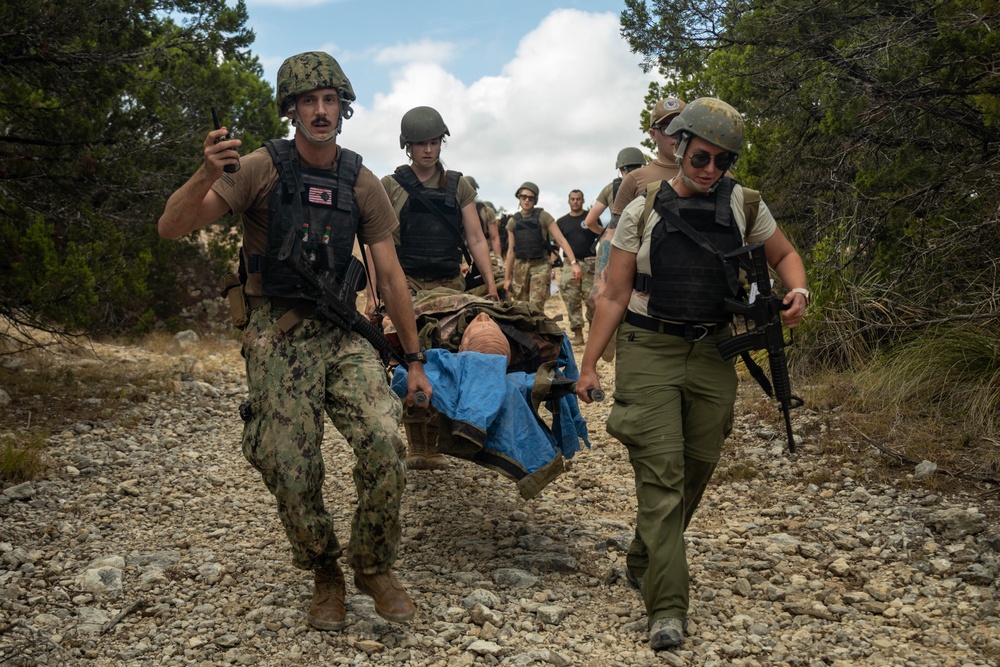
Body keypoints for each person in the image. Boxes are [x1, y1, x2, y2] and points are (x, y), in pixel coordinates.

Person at [158, 51, 431, 632]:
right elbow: (173, 225)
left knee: (385, 443)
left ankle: (372, 563)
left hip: (343, 334)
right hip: (277, 332)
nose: (321, 110)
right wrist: (208, 171)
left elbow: (390, 275)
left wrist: (413, 359)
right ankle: (324, 569)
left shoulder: (361, 181)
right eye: (309, 100)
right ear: (291, 110)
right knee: (288, 461)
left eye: (330, 100)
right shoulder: (258, 168)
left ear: (343, 107)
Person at [575, 98, 809, 651]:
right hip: (649, 348)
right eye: (701, 156)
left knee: (699, 465)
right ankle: (667, 607)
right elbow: (612, 293)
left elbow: (786, 256)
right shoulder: (642, 207)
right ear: (679, 148)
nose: (710, 170)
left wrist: (798, 290)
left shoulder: (746, 207)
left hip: (713, 352)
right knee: (662, 476)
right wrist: (588, 364)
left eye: (722, 161)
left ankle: (644, 554)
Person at [377, 106, 499, 470]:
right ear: (407, 146)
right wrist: (376, 294)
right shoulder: (391, 186)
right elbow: (377, 242)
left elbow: (476, 238)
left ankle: (445, 432)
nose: (428, 150)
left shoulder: (458, 185)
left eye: (434, 142)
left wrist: (490, 285)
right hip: (407, 285)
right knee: (413, 358)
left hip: (451, 285)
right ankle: (418, 441)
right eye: (420, 144)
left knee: (452, 357)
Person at [591, 99, 687, 362]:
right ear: (653, 133)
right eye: (667, 126)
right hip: (646, 290)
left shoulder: (713, 172)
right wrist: (602, 282)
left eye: (681, 125)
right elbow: (613, 232)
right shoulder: (635, 180)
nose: (675, 133)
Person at [503, 181, 582, 311]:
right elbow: (511, 251)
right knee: (520, 306)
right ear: (519, 198)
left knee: (535, 306)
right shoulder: (513, 222)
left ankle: (536, 331)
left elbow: (561, 240)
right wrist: (507, 279)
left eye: (531, 198)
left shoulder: (543, 217)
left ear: (535, 200)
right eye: (523, 197)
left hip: (540, 266)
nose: (527, 200)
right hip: (520, 267)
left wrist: (573, 263)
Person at [554, 189, 599, 346]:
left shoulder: (591, 218)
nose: (575, 201)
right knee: (571, 299)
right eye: (572, 199)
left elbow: (602, 235)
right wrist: (552, 269)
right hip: (568, 265)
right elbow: (555, 246)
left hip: (590, 264)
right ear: (568, 201)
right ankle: (578, 334)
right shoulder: (561, 222)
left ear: (583, 200)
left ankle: (594, 334)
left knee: (592, 299)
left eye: (578, 199)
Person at [582, 147, 646, 236]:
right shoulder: (652, 185)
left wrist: (608, 234)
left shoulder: (610, 189)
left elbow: (589, 221)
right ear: (642, 165)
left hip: (621, 242)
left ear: (620, 169)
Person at [465, 175, 504, 259]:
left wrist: (499, 259)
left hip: (483, 253)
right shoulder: (454, 210)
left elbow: (494, 238)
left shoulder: (486, 211)